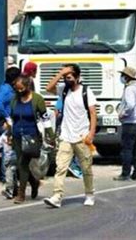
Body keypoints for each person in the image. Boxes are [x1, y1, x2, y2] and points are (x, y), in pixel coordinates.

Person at [44, 64, 97, 208]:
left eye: (69, 77)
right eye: (65, 77)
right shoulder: (64, 90)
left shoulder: (86, 92)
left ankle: (89, 193)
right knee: (60, 167)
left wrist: (91, 134)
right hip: (66, 136)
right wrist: (61, 73)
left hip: (82, 136)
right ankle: (57, 196)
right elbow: (48, 88)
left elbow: (93, 113)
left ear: (77, 78)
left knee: (86, 168)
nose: (67, 79)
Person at [10, 75, 46, 204]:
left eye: (21, 89)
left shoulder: (37, 99)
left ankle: (21, 194)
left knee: (22, 163)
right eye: (17, 89)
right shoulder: (14, 100)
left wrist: (50, 135)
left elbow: (45, 118)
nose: (19, 91)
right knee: (21, 164)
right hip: (17, 136)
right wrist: (9, 134)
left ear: (28, 86)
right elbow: (11, 118)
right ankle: (34, 182)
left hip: (31, 136)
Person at [113, 66, 136, 181]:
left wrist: (123, 114)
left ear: (126, 77)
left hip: (130, 122)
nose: (121, 78)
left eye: (122, 75)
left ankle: (125, 173)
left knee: (127, 149)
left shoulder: (129, 89)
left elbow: (130, 105)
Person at [0, 67, 21, 182]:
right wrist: (7, 116)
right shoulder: (6, 90)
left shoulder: (11, 89)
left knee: (9, 151)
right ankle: (6, 178)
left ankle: (10, 176)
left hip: (11, 121)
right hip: (5, 123)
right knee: (7, 151)